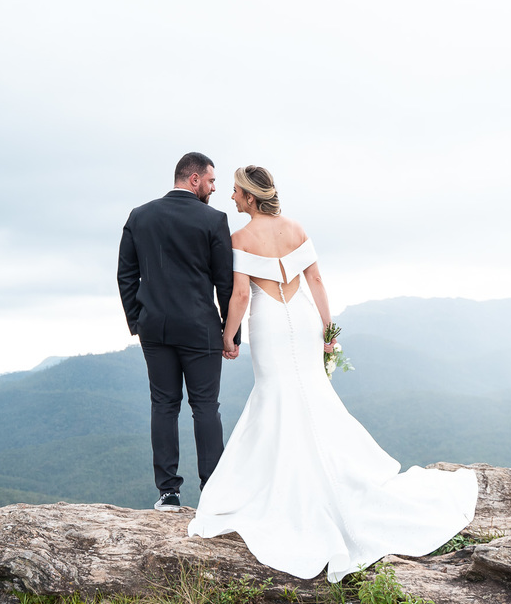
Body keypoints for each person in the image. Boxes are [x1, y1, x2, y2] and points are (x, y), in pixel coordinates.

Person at [187, 165, 478, 582]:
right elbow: (316, 279)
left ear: (250, 197)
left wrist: (228, 337)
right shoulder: (296, 228)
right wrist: (328, 331)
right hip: (304, 318)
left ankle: (284, 485)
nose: (231, 197)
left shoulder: (241, 238)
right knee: (311, 392)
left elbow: (240, 295)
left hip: (270, 325)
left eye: (235, 191)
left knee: (275, 396)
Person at [117, 152, 238, 512]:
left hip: (155, 329)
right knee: (205, 408)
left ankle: (168, 492)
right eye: (211, 181)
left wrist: (138, 321)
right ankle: (213, 491)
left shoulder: (139, 216)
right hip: (201, 329)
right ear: (194, 179)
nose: (214, 188)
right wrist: (231, 333)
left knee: (163, 406)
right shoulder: (214, 220)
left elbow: (126, 275)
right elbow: (225, 283)